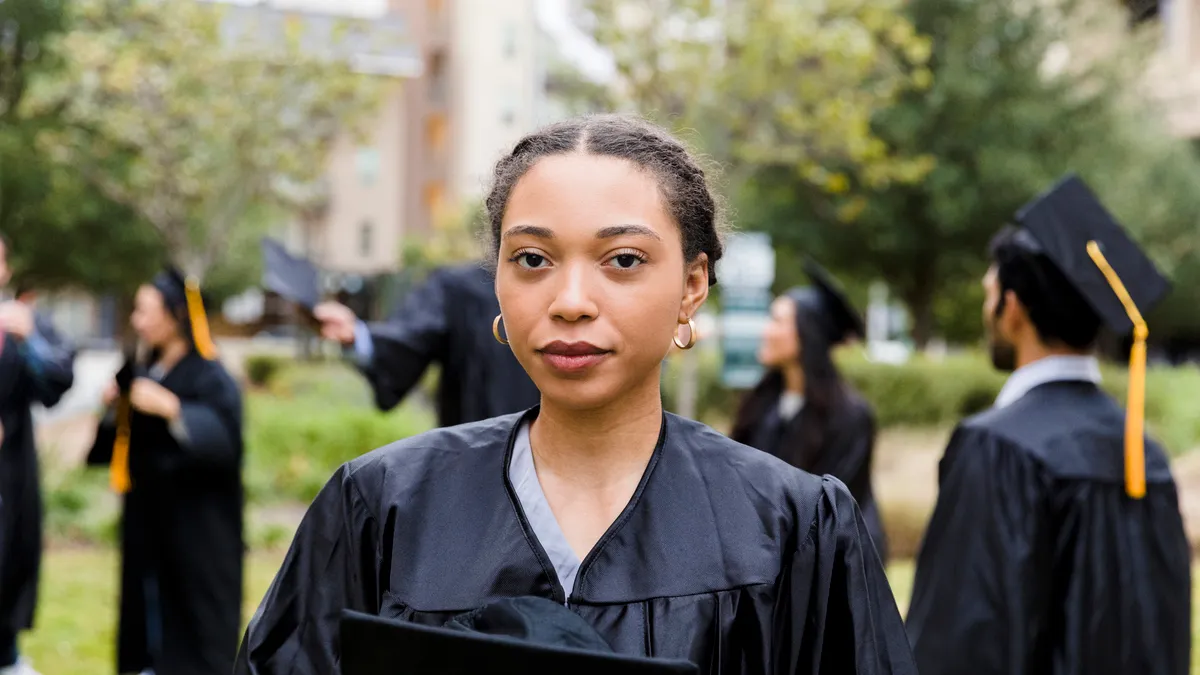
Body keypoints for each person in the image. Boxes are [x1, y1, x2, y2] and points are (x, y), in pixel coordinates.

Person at [236, 114, 916, 675]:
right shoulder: (381, 508)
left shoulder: (794, 529)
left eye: (623, 260)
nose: (569, 302)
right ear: (496, 279)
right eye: (532, 258)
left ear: (692, 285)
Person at [906, 174, 1191, 675]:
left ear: (1011, 307)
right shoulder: (1142, 453)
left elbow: (959, 643)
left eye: (989, 292)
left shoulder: (996, 447)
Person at [87, 268, 245, 675]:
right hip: (147, 523)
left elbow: (226, 444)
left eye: (145, 311)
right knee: (144, 620)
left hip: (197, 530)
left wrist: (173, 408)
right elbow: (113, 448)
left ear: (175, 316)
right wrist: (113, 408)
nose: (137, 321)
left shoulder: (211, 375)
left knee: (194, 626)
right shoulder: (141, 369)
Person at [730, 260, 887, 562]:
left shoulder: (849, 417)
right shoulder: (761, 404)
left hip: (826, 569)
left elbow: (834, 511)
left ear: (805, 334)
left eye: (776, 321)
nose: (766, 330)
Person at [313, 261, 541, 426]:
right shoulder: (460, 289)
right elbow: (411, 336)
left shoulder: (570, 293)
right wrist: (357, 334)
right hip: (479, 467)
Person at [0, 240, 76, 675]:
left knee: (9, 567)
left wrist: (29, 341)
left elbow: (57, 383)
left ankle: (6, 655)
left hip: (9, 472)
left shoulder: (22, 325)